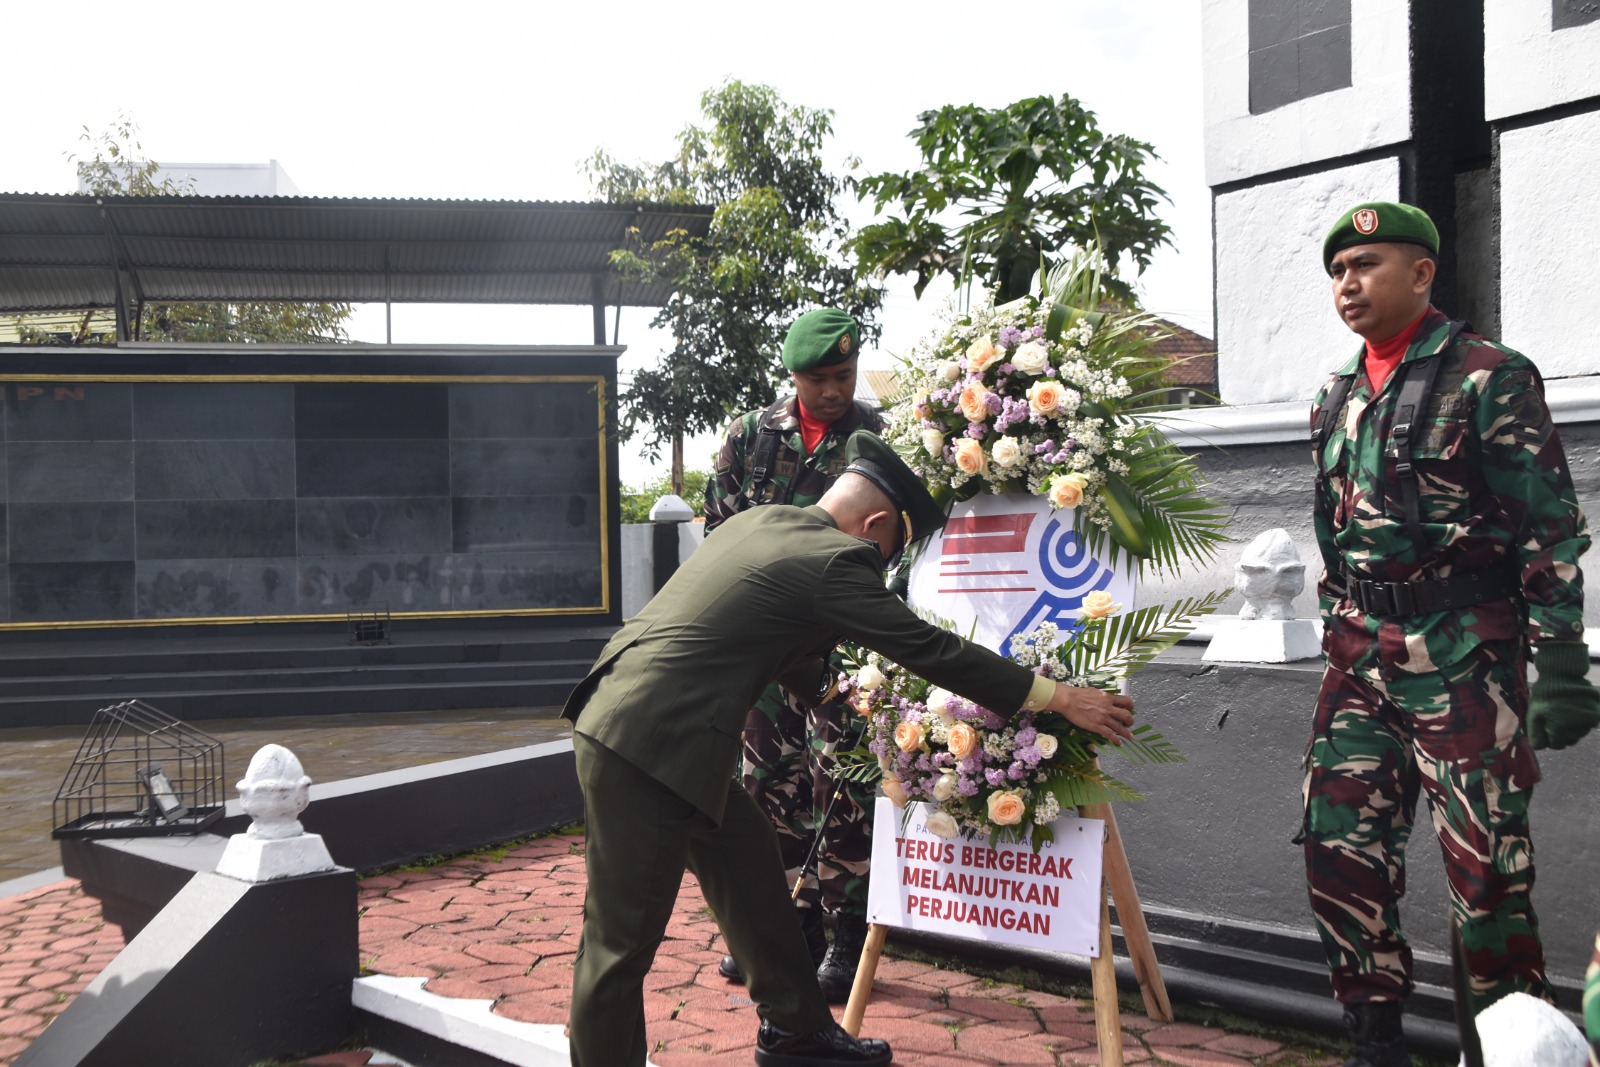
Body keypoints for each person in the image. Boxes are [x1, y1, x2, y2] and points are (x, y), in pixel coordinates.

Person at [563, 431, 1136, 1067]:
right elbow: (929, 648)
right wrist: (1058, 697)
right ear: (875, 525)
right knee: (619, 941)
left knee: (751, 872)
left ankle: (796, 1031)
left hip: (657, 730)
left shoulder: (761, 523)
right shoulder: (836, 560)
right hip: (649, 746)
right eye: (890, 552)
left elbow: (768, 634)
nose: (882, 566)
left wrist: (836, 693)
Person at [1305, 200, 1600, 1067]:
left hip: (1465, 661)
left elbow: (1548, 525)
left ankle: (1508, 1053)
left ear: (1422, 273)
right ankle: (1375, 1045)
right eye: (1338, 271)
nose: (1348, 283)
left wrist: (1561, 659)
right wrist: (1337, 623)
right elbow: (1333, 529)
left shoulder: (1489, 376)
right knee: (1340, 851)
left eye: (1367, 265)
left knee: (1487, 875)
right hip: (1360, 660)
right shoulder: (1335, 394)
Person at [703, 307, 886, 1000]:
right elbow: (719, 532)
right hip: (766, 645)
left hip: (843, 644)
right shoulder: (751, 436)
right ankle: (788, 929)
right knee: (764, 787)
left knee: (841, 785)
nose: (834, 391)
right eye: (819, 379)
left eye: (845, 375)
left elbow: (895, 544)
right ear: (793, 376)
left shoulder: (878, 440)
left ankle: (845, 938)